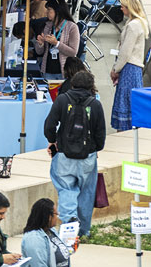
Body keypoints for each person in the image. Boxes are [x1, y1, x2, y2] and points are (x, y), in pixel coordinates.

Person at [44, 70, 106, 237]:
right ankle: (84, 231)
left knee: (66, 189)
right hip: (88, 157)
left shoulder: (62, 99)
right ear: (91, 86)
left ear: (72, 84)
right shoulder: (95, 104)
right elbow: (101, 133)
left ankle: (69, 224)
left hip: (64, 154)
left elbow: (49, 125)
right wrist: (96, 148)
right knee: (86, 193)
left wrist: (52, 140)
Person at [111, 0, 150, 132]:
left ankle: (124, 130)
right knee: (131, 102)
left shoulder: (133, 26)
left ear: (129, 8)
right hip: (134, 68)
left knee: (125, 101)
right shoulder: (139, 23)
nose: (121, 9)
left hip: (129, 68)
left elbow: (125, 52)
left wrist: (115, 69)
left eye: (123, 6)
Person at [20, 198, 75, 267]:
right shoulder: (33, 238)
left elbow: (59, 254)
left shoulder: (52, 231)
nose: (57, 217)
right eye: (56, 214)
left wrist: (71, 248)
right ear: (49, 216)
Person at [34, 0, 81, 77]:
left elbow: (73, 52)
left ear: (58, 11)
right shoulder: (47, 26)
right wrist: (40, 44)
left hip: (64, 72)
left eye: (49, 10)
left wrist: (56, 43)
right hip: (47, 70)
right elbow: (39, 52)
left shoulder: (72, 27)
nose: (46, 12)